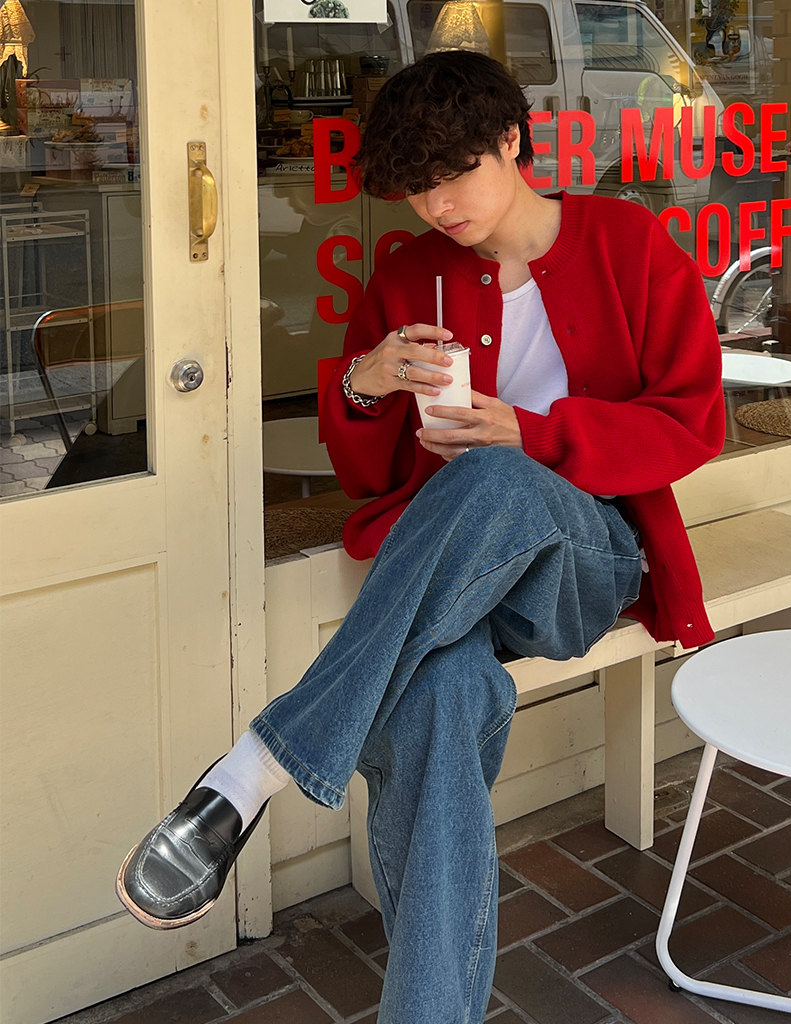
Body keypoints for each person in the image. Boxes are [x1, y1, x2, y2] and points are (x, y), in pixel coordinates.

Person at [116, 50, 725, 1024]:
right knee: (438, 699)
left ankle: (261, 763)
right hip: (453, 582)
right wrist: (365, 383)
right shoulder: (408, 274)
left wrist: (533, 434)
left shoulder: (626, 241)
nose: (438, 204)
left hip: (583, 562)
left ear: (512, 140)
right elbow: (368, 476)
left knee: (497, 473)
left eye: (456, 173)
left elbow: (693, 424)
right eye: (416, 186)